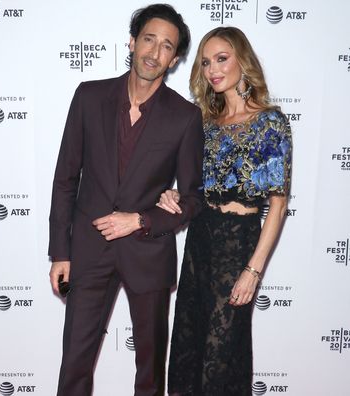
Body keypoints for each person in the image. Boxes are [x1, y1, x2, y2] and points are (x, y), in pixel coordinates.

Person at [48, 4, 204, 396]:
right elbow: (66, 178)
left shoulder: (185, 117)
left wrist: (141, 220)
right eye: (149, 39)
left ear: (175, 59)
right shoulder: (88, 96)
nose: (154, 52)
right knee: (74, 366)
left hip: (148, 255)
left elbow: (192, 198)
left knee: (150, 373)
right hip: (88, 251)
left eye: (167, 46)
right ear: (132, 42)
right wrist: (60, 253)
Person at [157, 27, 292, 395]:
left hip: (238, 247)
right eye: (205, 62)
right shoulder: (204, 124)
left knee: (220, 359)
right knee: (187, 351)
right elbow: (193, 189)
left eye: (221, 58)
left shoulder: (271, 123)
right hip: (199, 242)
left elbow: (278, 206)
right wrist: (173, 196)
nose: (213, 69)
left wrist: (253, 270)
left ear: (241, 61)